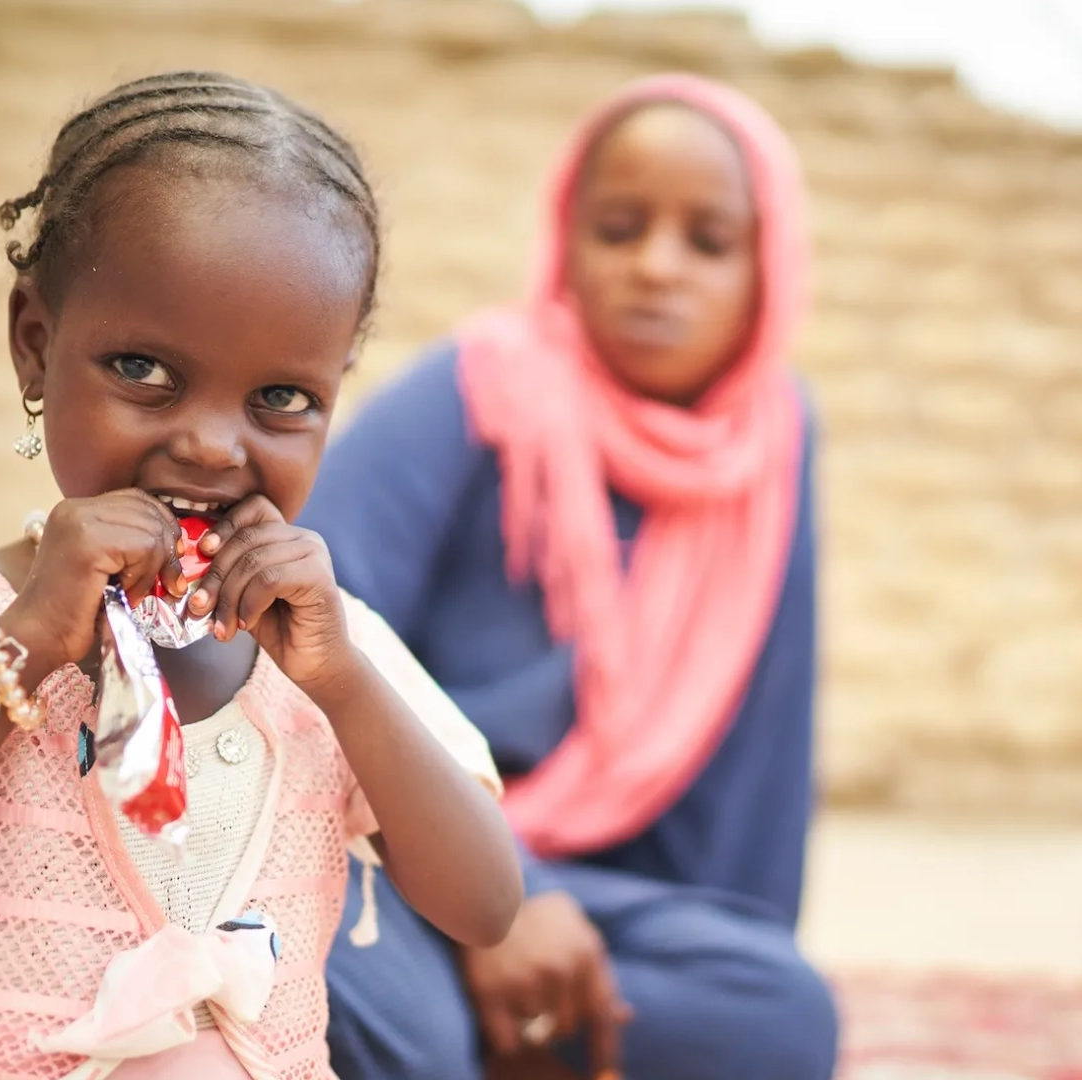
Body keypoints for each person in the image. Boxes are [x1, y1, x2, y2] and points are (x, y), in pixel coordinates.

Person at [0, 71, 522, 1079]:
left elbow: (485, 905)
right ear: (36, 346)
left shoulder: (332, 656)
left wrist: (345, 687)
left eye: (282, 397)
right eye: (143, 371)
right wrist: (22, 645)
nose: (211, 445)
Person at [306, 74, 838, 1080]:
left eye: (708, 243)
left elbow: (763, 771)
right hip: (405, 850)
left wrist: (739, 957)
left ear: (767, 271)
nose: (657, 269)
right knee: (360, 996)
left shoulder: (774, 447)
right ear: (566, 239)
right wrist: (496, 903)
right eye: (620, 229)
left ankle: (503, 1031)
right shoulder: (479, 387)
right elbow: (308, 637)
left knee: (778, 1013)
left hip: (604, 914)